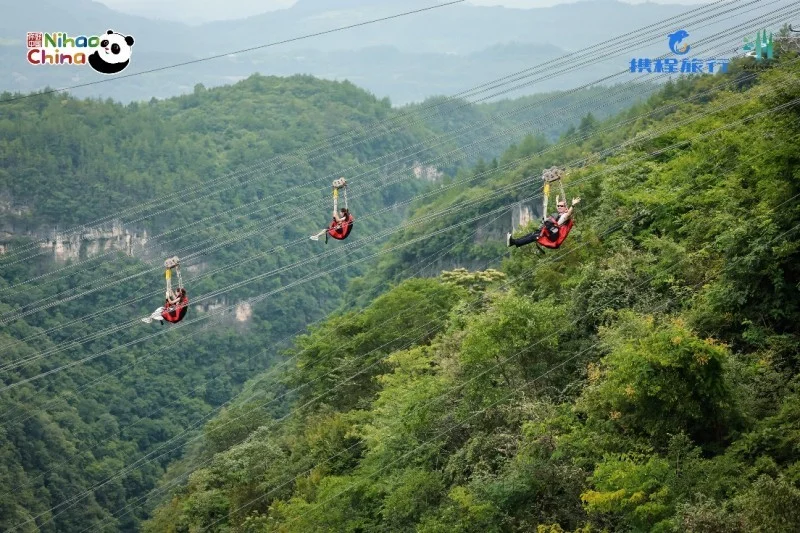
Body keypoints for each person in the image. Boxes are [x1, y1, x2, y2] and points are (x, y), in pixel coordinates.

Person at [507, 196, 580, 248]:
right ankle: (514, 242)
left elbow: (568, 214)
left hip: (553, 236)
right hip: (550, 233)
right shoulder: (559, 214)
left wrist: (573, 205)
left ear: (566, 208)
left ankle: (514, 242)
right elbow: (559, 208)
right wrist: (557, 201)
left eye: (561, 206)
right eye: (558, 206)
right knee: (532, 234)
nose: (559, 207)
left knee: (534, 236)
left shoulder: (564, 216)